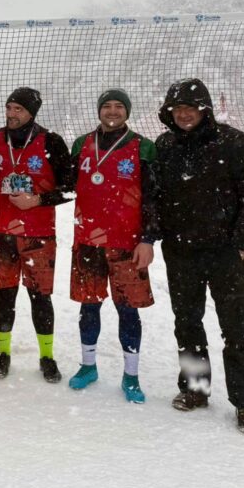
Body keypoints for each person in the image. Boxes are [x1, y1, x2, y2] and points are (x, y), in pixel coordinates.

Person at [155, 78, 244, 434]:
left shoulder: (234, 143)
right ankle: (195, 389)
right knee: (187, 324)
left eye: (191, 108)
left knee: (237, 328)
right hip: (181, 254)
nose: (184, 115)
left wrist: (240, 246)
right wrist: (158, 237)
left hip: (225, 255)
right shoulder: (165, 145)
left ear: (204, 109)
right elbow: (155, 197)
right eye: (177, 109)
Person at [67, 89, 158, 403]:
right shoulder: (81, 144)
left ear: (127, 111)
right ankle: (88, 366)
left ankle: (131, 375)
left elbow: (152, 198)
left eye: (119, 106)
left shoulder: (143, 147)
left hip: (126, 243)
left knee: (127, 311)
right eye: (107, 105)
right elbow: (65, 184)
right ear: (99, 110)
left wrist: (148, 238)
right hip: (88, 241)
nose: (113, 111)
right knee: (88, 307)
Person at [0, 87, 73, 383]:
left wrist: (38, 199)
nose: (11, 114)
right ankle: (3, 352)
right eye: (9, 107)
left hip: (38, 234)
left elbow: (71, 188)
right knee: (4, 294)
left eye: (18, 109)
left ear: (32, 113)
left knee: (40, 297)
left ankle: (47, 357)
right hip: (1, 233)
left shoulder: (51, 141)